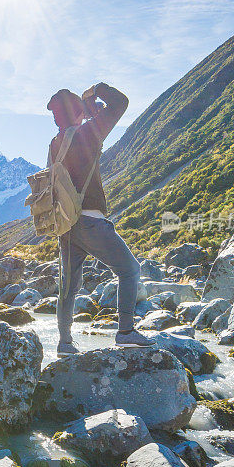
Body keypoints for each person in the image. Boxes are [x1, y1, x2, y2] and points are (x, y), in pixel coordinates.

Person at [47, 82, 150, 355]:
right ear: (79, 112)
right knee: (129, 270)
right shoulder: (87, 134)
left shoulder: (55, 144)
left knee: (68, 285)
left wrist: (87, 110)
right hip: (91, 221)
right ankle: (126, 331)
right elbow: (120, 103)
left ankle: (65, 343)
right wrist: (96, 91)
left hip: (66, 225)